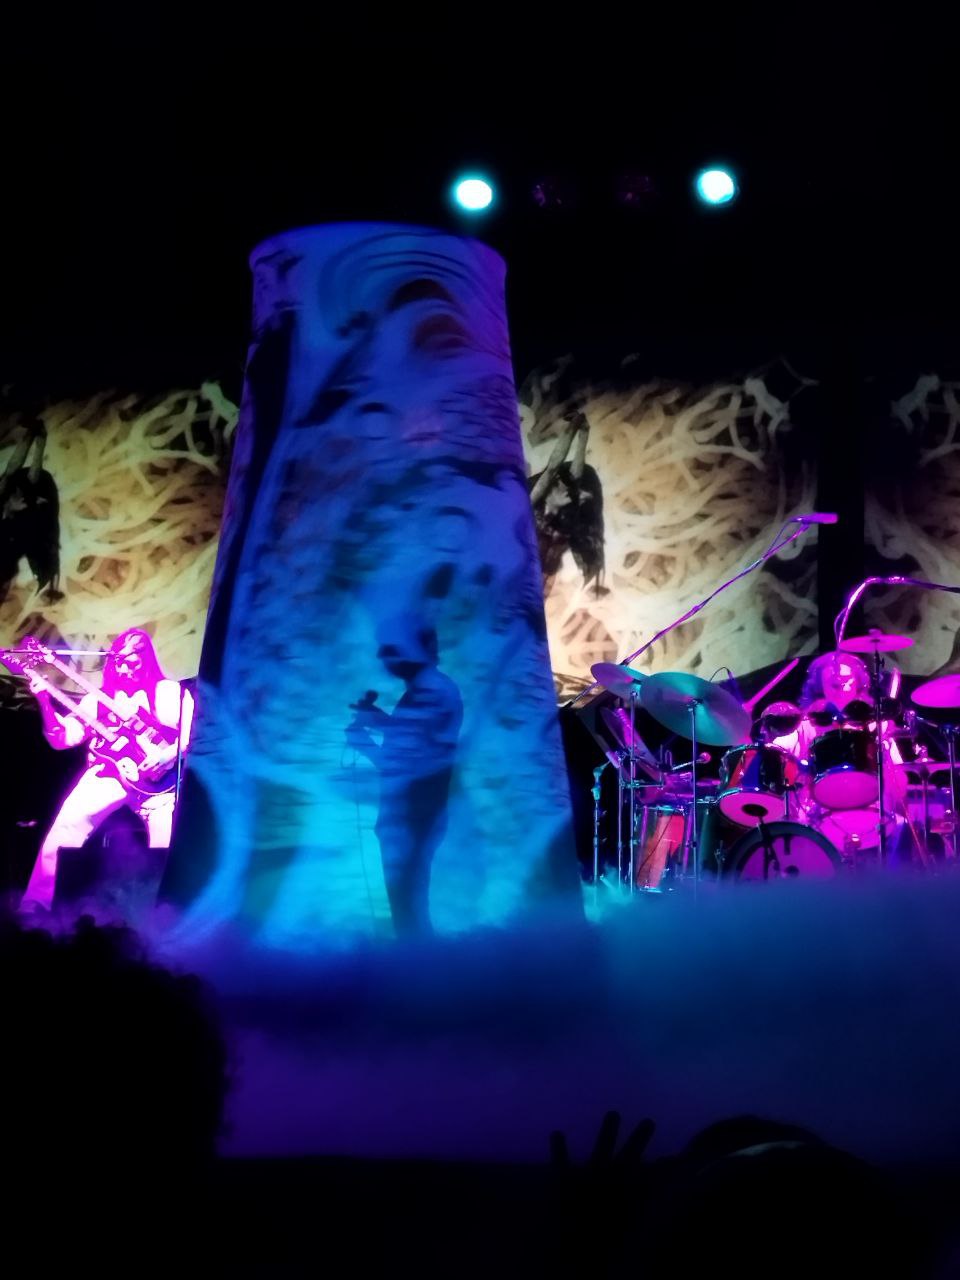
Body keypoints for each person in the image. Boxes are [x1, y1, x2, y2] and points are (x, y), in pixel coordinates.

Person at [19, 628, 194, 913]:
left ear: (146, 660)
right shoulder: (98, 699)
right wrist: (44, 702)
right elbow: (62, 739)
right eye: (120, 663)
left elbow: (193, 734)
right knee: (65, 828)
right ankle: (36, 905)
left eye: (132, 663)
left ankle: (165, 912)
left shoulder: (168, 692)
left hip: (160, 785)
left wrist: (166, 756)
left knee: (166, 847)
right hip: (109, 775)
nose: (124, 670)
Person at [346, 615, 462, 936]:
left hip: (412, 819)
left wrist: (361, 741)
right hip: (412, 817)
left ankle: (421, 963)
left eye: (390, 648)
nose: (383, 656)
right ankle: (420, 960)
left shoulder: (431, 692)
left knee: (408, 909)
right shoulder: (430, 689)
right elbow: (414, 739)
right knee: (408, 906)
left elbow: (403, 762)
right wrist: (378, 719)